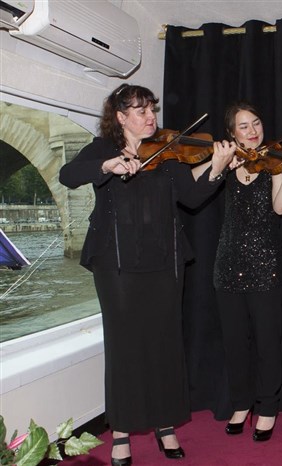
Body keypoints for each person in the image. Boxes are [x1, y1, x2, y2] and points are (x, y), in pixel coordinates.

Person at [59, 84, 236, 466]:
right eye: (140, 111)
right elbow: (67, 175)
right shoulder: (103, 149)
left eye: (151, 109)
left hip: (165, 262)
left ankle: (165, 424)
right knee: (125, 348)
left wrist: (218, 169)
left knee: (165, 345)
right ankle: (121, 432)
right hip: (117, 264)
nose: (150, 117)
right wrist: (107, 166)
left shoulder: (168, 151)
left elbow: (191, 197)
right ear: (120, 117)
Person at [192, 102, 282, 442]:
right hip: (227, 265)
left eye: (256, 123)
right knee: (235, 343)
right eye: (243, 126)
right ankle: (241, 404)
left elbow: (280, 208)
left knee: (268, 342)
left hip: (265, 265)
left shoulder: (274, 161)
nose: (252, 130)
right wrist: (218, 160)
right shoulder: (229, 162)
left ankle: (267, 407)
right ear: (232, 133)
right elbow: (192, 182)